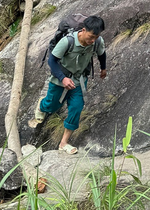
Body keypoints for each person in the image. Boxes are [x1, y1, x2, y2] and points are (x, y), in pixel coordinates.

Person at [28, 16, 107, 153]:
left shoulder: (97, 41)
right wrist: (63, 78)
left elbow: (102, 54)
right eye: (91, 37)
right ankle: (42, 106)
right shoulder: (67, 41)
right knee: (53, 106)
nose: (93, 41)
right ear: (83, 30)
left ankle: (63, 143)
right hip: (60, 80)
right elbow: (52, 61)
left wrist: (103, 68)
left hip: (79, 80)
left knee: (76, 108)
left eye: (96, 36)